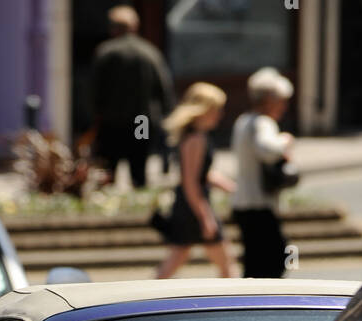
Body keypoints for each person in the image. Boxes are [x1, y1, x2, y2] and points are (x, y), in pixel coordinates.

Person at [154, 83, 236, 279]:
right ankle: (231, 302)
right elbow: (190, 182)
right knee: (225, 262)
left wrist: (228, 186)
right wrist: (205, 217)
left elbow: (201, 174)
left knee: (177, 257)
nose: (219, 114)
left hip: (188, 205)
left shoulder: (192, 136)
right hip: (192, 206)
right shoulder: (195, 139)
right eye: (215, 109)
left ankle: (143, 297)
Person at [91, 6, 174, 189]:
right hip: (142, 120)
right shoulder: (149, 52)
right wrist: (167, 117)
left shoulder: (106, 52)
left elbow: (95, 90)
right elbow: (164, 88)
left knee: (108, 166)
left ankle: (107, 202)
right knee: (139, 163)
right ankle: (139, 195)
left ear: (113, 28)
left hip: (112, 120)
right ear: (135, 26)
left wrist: (93, 115)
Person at [231, 68, 294, 278]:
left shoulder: (243, 120)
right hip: (259, 204)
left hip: (243, 203)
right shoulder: (263, 123)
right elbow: (268, 150)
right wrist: (285, 141)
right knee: (274, 259)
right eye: (281, 101)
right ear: (269, 100)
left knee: (254, 260)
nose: (284, 106)